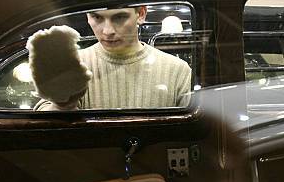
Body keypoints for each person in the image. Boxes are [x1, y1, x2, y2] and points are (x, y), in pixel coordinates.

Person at [30, 6, 192, 111]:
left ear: (141, 14)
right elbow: (44, 116)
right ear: (88, 16)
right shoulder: (74, 64)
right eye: (97, 17)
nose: (107, 31)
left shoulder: (177, 70)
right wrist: (62, 103)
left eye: (119, 17)